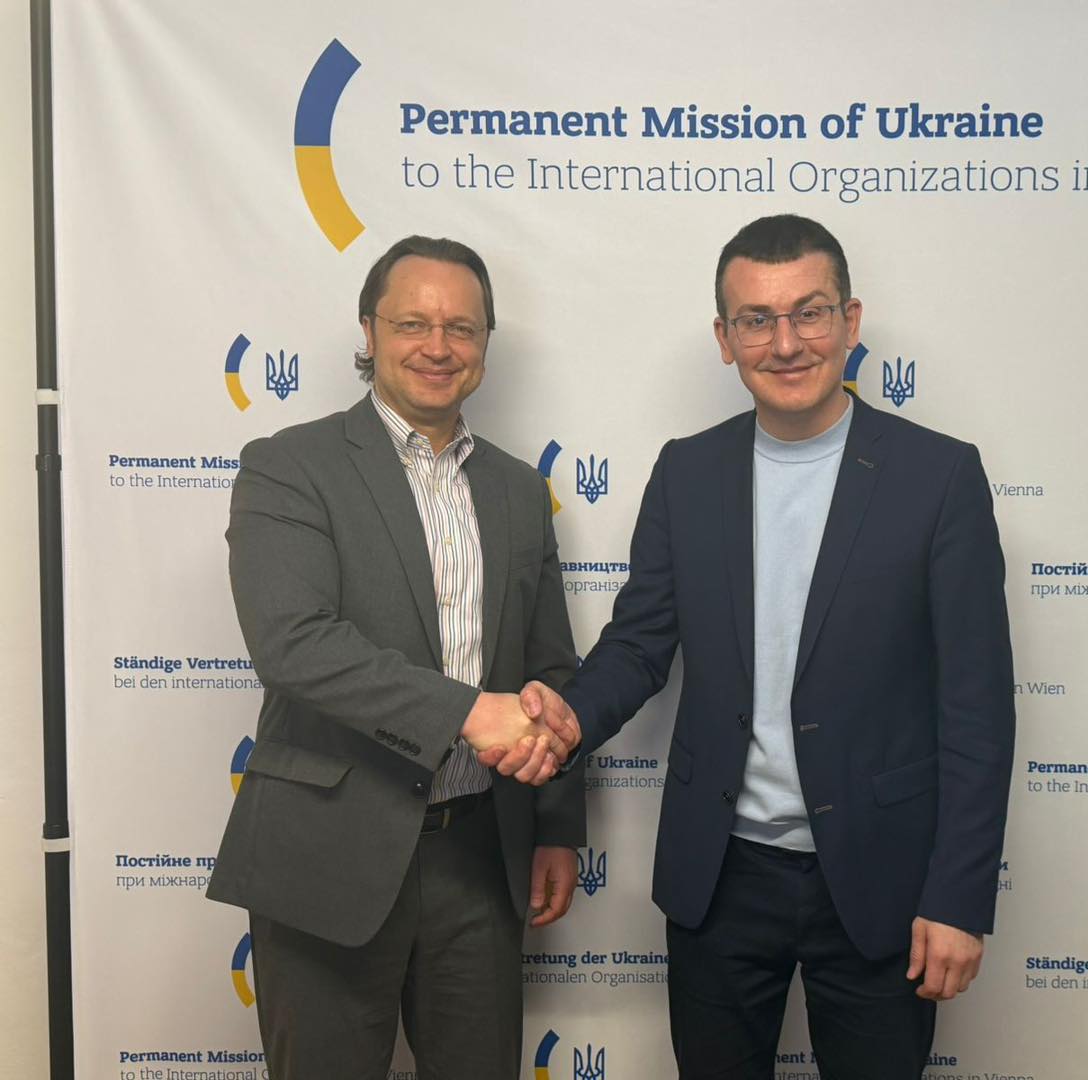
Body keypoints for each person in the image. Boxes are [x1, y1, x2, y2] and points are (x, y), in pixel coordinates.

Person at [561, 214, 1015, 1078]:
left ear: (850, 320)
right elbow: (639, 643)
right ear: (724, 339)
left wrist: (960, 897)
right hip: (719, 875)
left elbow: (977, 710)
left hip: (882, 880)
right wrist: (566, 719)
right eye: (756, 320)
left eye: (809, 313)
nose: (786, 343)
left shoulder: (939, 476)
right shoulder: (686, 471)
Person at [208, 235, 584, 1080]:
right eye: (412, 323)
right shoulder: (288, 465)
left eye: (462, 327)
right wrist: (468, 712)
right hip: (328, 856)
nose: (438, 346)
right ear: (369, 330)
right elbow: (293, 644)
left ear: (486, 342)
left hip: (480, 860)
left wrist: (556, 825)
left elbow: (550, 669)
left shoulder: (519, 490)